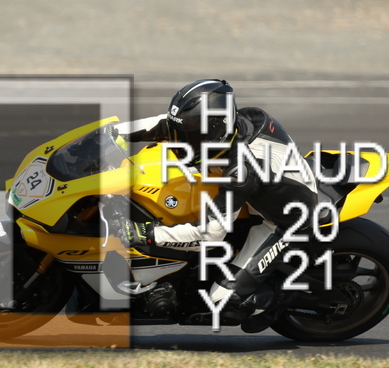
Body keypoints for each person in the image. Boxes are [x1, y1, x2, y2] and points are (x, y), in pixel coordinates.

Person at [117, 79, 319, 333]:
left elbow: (210, 235)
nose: (181, 141)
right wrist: (113, 134)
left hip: (285, 221)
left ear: (215, 131)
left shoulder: (241, 171)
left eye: (190, 135)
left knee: (223, 302)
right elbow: (165, 124)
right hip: (263, 189)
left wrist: (147, 234)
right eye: (182, 132)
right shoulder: (237, 122)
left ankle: (285, 294)